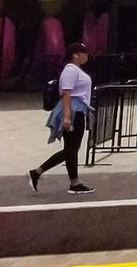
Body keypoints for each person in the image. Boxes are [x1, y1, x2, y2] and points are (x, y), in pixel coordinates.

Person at [29, 42, 94, 194]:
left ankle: (74, 183)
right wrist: (67, 117)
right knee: (70, 149)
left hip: (77, 110)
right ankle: (37, 172)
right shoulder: (71, 70)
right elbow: (66, 93)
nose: (87, 55)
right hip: (73, 110)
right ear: (75, 55)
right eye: (83, 52)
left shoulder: (75, 70)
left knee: (71, 149)